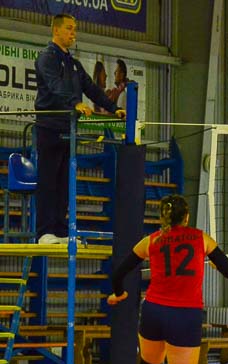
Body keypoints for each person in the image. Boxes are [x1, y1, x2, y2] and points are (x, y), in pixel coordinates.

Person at [108, 194, 228, 364]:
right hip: (185, 315)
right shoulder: (201, 238)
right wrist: (214, 264)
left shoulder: (152, 240)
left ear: (162, 217)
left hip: (154, 311)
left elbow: (119, 271)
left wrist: (119, 293)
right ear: (187, 217)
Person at [34, 14, 125, 245]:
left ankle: (61, 230)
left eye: (75, 29)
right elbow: (54, 87)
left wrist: (113, 109)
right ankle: (44, 232)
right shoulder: (46, 57)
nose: (74, 33)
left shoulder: (73, 64)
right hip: (50, 127)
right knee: (49, 181)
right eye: (69, 28)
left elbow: (91, 89)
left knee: (65, 182)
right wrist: (74, 103)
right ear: (56, 30)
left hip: (69, 130)